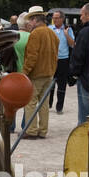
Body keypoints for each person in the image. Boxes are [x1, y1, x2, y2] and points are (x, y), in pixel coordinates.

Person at [20, 8, 58, 138]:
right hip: (49, 73)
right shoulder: (52, 33)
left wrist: (24, 73)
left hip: (36, 74)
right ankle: (43, 130)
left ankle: (31, 130)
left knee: (30, 103)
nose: (29, 23)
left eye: (30, 20)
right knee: (44, 104)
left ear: (35, 20)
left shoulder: (36, 34)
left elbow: (32, 57)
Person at [49, 10, 75, 113]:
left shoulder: (68, 29)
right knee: (50, 83)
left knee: (62, 84)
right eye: (53, 18)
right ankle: (48, 103)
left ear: (62, 19)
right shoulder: (49, 29)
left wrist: (66, 34)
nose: (54, 20)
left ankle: (59, 106)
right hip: (51, 59)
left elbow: (72, 44)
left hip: (63, 59)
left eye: (56, 18)